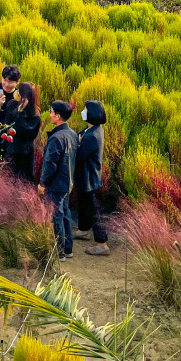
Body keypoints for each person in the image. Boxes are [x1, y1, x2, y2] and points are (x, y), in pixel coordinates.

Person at [38, 100, 77, 260]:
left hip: (56, 183)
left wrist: (42, 183)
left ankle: (59, 251)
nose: (50, 114)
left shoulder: (56, 138)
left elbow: (50, 164)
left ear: (58, 116)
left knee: (57, 216)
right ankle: (68, 249)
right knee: (65, 213)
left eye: (52, 112)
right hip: (68, 182)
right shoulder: (73, 134)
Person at [74, 99, 110, 255]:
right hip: (87, 176)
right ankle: (83, 230)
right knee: (83, 204)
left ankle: (102, 244)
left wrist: (78, 143)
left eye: (85, 110)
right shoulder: (94, 129)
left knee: (93, 209)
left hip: (88, 177)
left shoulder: (92, 135)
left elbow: (79, 155)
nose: (83, 111)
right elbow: (78, 136)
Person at [5, 73, 42, 183]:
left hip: (18, 151)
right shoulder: (33, 111)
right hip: (20, 150)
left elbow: (10, 126)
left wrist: (20, 111)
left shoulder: (30, 112)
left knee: (17, 179)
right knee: (20, 179)